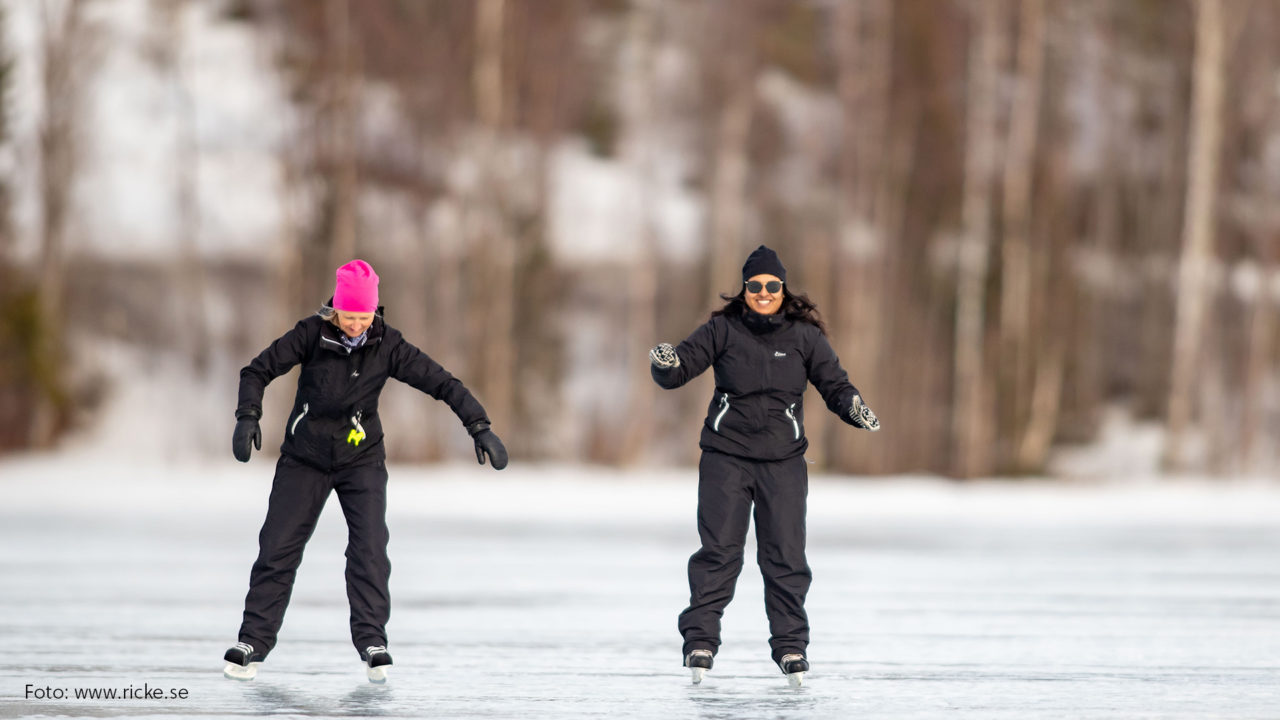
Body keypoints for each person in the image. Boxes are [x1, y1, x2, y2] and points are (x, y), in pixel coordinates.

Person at [223, 259, 508, 683]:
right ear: (335, 308)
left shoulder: (388, 344)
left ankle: (373, 641)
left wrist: (479, 426)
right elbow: (258, 370)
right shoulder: (310, 335)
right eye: (349, 315)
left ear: (375, 311)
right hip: (305, 457)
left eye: (365, 315)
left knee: (369, 550)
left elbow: (443, 383)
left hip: (362, 460)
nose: (356, 324)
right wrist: (248, 415)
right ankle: (252, 643)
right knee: (278, 548)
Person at [649, 245, 880, 687]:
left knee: (786, 557)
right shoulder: (723, 329)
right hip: (726, 457)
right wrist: (665, 365)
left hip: (784, 463)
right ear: (745, 289)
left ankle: (791, 646)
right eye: (755, 286)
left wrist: (853, 407)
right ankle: (700, 641)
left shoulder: (805, 337)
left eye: (772, 286)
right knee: (718, 553)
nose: (763, 293)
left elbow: (834, 383)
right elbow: (681, 368)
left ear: (783, 288)